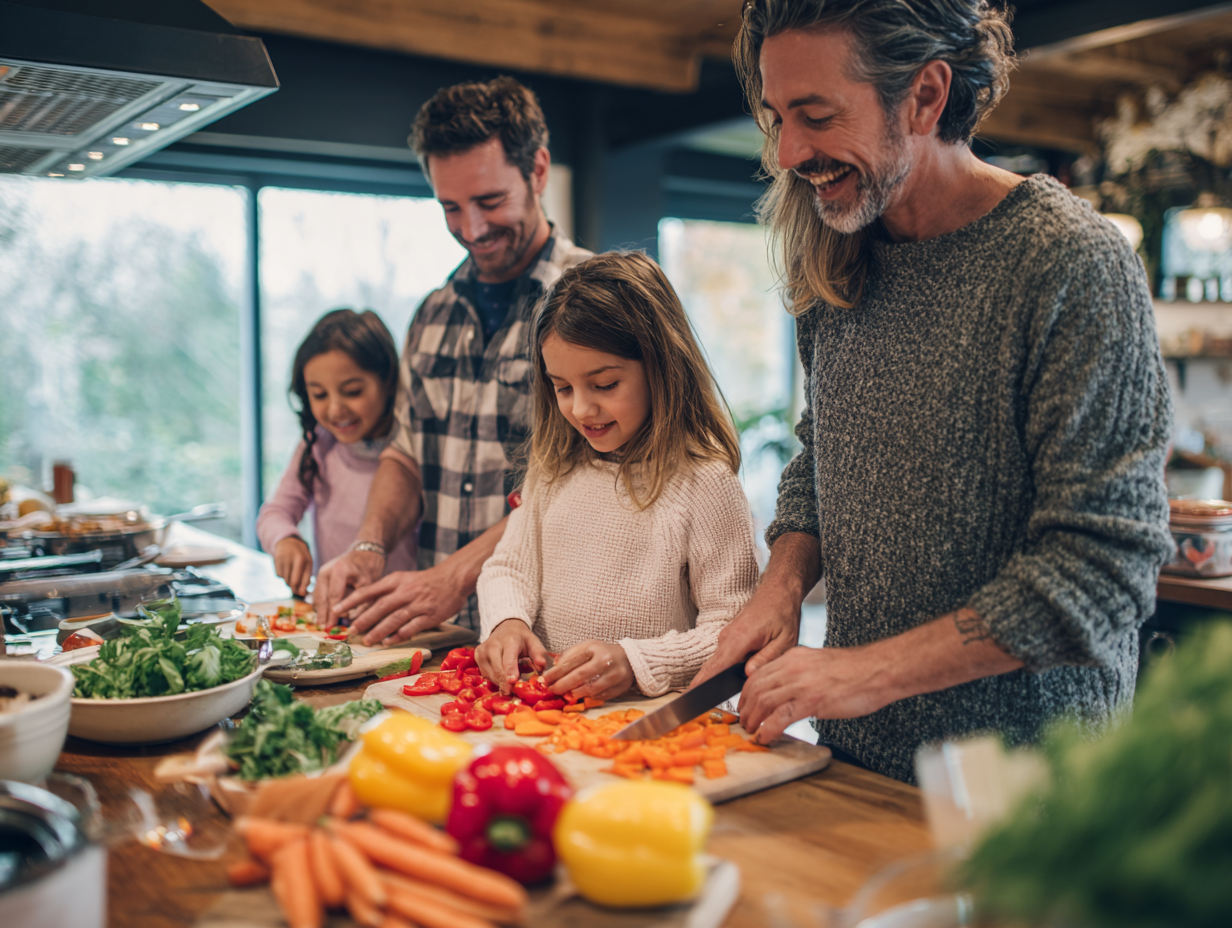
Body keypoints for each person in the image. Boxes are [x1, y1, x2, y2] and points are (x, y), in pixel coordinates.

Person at [692, 0, 1174, 782]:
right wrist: (781, 586)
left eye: (816, 115)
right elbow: (825, 455)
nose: (787, 152)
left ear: (924, 96)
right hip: (856, 765)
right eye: (778, 118)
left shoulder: (1068, 262)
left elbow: (1102, 570)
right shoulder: (838, 250)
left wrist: (864, 671)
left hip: (1031, 792)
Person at [313, 77, 591, 642]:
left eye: (489, 201)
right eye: (450, 208)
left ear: (538, 171)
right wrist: (369, 546)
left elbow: (591, 482)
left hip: (555, 634)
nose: (472, 229)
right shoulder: (433, 313)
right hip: (446, 633)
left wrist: (458, 575)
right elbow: (407, 452)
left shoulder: (599, 298)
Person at [474, 252, 760, 701]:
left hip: (650, 724)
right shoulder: (554, 469)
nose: (581, 409)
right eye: (562, 387)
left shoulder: (705, 483)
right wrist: (507, 621)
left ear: (661, 366)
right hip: (549, 716)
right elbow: (509, 567)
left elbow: (732, 629)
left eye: (605, 385)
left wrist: (637, 661)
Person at [257, 310, 416, 597]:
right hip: (334, 611)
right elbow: (274, 512)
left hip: (403, 612)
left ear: (388, 381)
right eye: (319, 395)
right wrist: (285, 539)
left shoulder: (413, 446)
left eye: (352, 391)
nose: (335, 409)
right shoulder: (318, 444)